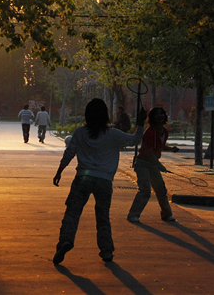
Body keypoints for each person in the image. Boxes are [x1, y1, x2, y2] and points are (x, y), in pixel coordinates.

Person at [52, 98, 145, 264]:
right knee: (103, 216)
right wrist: (140, 124)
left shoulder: (80, 132)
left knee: (72, 212)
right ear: (106, 115)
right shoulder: (114, 134)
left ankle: (65, 241)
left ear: (87, 115)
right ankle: (106, 250)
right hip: (104, 181)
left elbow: (70, 152)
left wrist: (60, 171)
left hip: (82, 179)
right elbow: (134, 140)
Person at [127, 107, 180, 223]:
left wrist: (171, 149)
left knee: (161, 190)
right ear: (152, 118)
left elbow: (160, 146)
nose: (160, 116)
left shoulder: (164, 131)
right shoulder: (150, 132)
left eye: (162, 114)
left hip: (153, 164)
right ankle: (133, 215)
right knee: (145, 190)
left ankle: (166, 214)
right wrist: (159, 165)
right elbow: (148, 151)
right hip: (143, 164)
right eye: (157, 114)